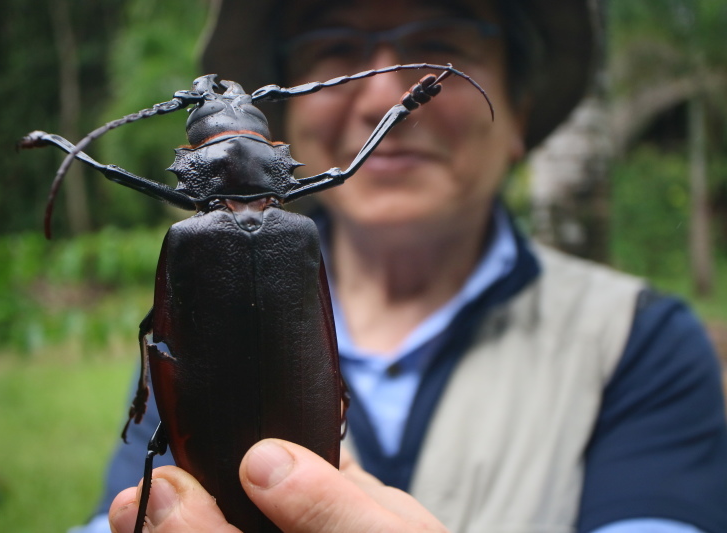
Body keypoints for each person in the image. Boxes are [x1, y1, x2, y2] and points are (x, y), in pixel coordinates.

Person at [73, 0, 727, 531]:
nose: (378, 93)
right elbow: (121, 512)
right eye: (335, 47)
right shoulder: (192, 305)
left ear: (519, 110)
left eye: (442, 44)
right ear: (285, 124)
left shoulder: (639, 345)